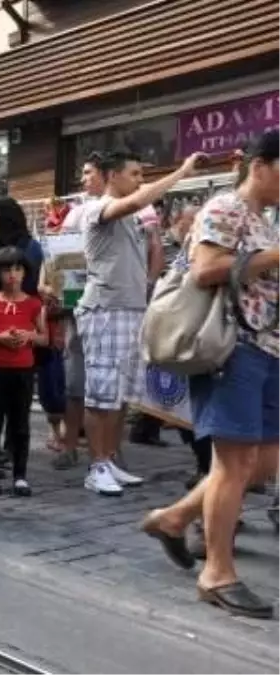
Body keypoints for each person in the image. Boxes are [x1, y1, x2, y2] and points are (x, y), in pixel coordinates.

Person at [140, 130, 280, 619]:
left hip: (267, 349)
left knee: (263, 463)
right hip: (231, 348)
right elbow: (204, 270)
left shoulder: (264, 220)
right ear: (261, 165)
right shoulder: (226, 207)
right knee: (233, 463)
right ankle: (217, 572)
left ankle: (175, 517)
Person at [74, 150, 204, 497]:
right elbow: (133, 203)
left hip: (131, 307)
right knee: (100, 393)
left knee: (120, 395)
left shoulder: (135, 216)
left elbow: (151, 249)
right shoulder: (97, 209)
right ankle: (96, 465)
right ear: (113, 176)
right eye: (133, 174)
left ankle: (110, 458)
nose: (139, 181)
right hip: (105, 308)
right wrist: (182, 171)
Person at [0, 247, 47, 496]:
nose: (13, 275)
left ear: (25, 272)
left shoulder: (34, 305)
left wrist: (30, 336)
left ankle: (20, 474)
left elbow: (44, 338)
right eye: (7, 270)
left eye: (17, 269)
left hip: (23, 370)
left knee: (20, 424)